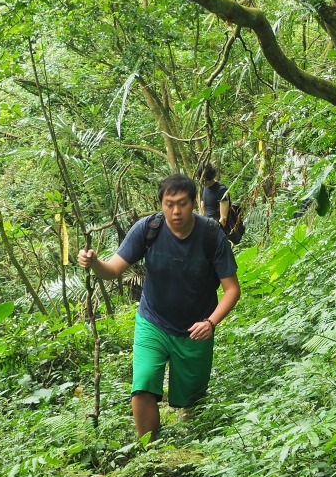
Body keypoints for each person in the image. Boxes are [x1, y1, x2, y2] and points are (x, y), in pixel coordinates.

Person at [77, 174, 240, 440]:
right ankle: (150, 456)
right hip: (153, 322)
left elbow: (232, 289)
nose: (176, 211)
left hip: (195, 329)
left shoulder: (211, 235)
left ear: (193, 203)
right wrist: (93, 262)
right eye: (169, 204)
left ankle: (194, 450)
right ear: (161, 204)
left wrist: (211, 322)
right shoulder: (148, 229)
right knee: (142, 386)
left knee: (192, 400)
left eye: (183, 204)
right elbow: (113, 270)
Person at [197, 162, 230, 228]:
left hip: (217, 229)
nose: (202, 183)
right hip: (206, 225)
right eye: (201, 180)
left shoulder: (221, 190)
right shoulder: (204, 187)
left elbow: (223, 218)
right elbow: (202, 208)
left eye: (204, 181)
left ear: (211, 177)